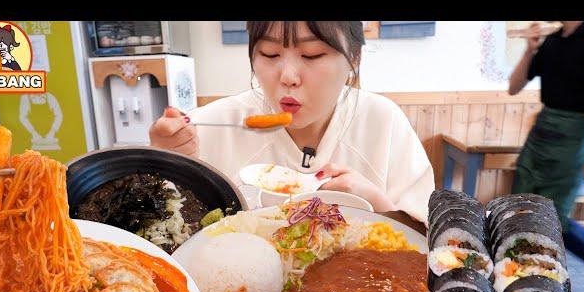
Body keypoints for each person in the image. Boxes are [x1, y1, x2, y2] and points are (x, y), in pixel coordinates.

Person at [150, 21, 434, 222]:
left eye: (311, 55)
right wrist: (162, 164)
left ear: (354, 58)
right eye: (269, 54)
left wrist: (375, 203)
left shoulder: (383, 123)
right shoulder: (210, 126)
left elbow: (426, 244)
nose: (287, 76)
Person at [508, 21, 584, 264]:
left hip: (577, 136)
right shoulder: (553, 40)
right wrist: (530, 50)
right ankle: (515, 271)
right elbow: (514, 87)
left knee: (555, 221)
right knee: (520, 209)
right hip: (542, 132)